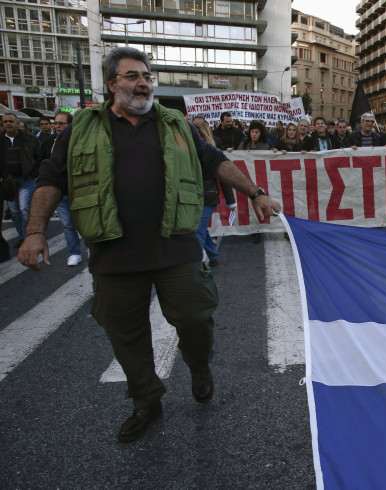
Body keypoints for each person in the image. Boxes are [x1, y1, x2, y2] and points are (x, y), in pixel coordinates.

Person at [17, 47, 281, 443]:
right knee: (126, 332)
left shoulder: (176, 124)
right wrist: (35, 231)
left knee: (195, 316)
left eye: (146, 76)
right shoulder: (81, 128)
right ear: (111, 84)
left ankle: (198, 366)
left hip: (176, 247)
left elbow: (215, 161)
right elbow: (51, 179)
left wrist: (256, 192)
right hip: (113, 253)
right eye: (131, 76)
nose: (143, 83)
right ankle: (146, 401)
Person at [43, 111, 85, 266]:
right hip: (61, 193)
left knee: (86, 223)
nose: (58, 126)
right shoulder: (49, 142)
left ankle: (90, 250)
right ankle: (74, 252)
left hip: (78, 190)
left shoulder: (77, 140)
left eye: (62, 123)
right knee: (67, 225)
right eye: (56, 123)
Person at [193, 120, 236, 267]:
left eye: (198, 135)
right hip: (192, 197)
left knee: (197, 230)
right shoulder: (187, 151)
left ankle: (197, 266)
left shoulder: (212, 152)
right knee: (200, 229)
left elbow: (225, 177)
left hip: (208, 196)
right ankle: (212, 255)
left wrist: (231, 201)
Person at [1, 112, 42, 248]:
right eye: (5, 121)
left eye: (11, 121)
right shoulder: (1, 141)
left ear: (17, 123)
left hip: (26, 180)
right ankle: (21, 236)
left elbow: (39, 158)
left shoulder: (30, 139)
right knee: (14, 212)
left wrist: (33, 174)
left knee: (24, 208)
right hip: (8, 182)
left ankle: (26, 237)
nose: (8, 124)